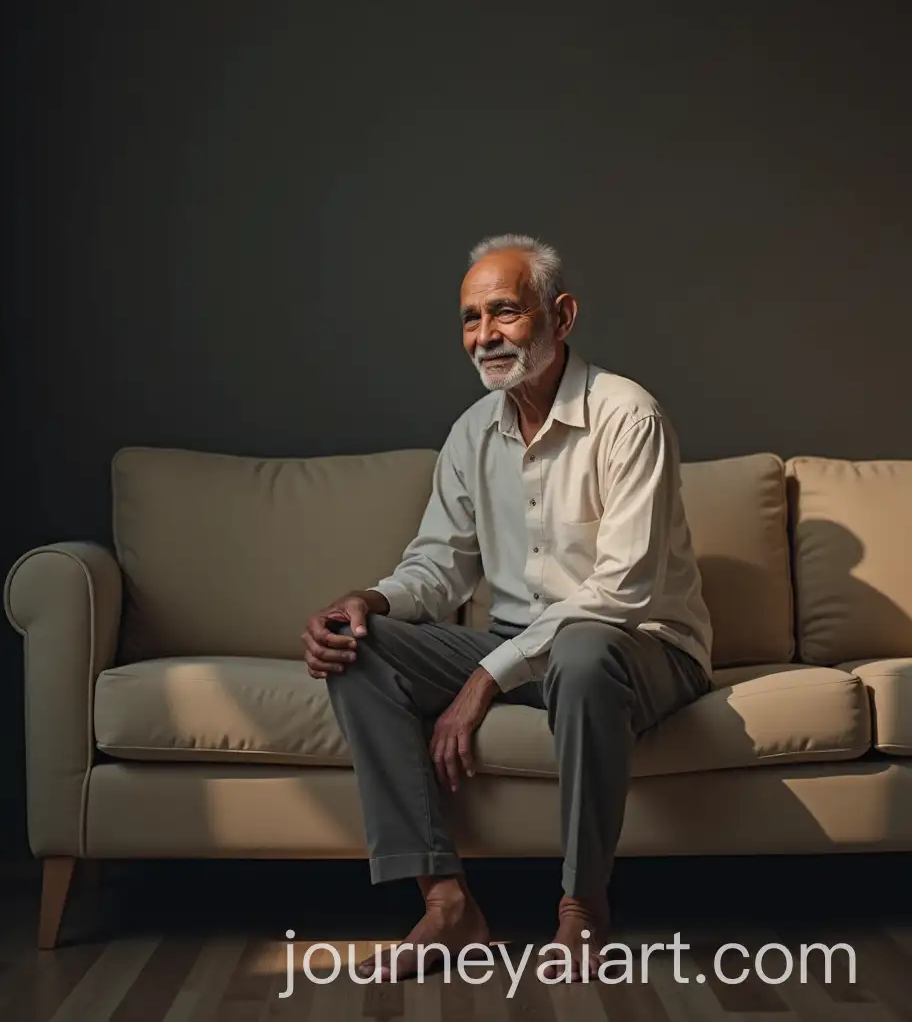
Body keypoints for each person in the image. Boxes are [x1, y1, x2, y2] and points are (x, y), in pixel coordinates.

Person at [302, 233, 712, 981]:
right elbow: (439, 568)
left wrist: (485, 680)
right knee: (360, 644)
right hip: (521, 645)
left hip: (644, 649)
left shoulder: (629, 417)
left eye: (504, 313)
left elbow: (621, 592)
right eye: (470, 318)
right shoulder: (471, 433)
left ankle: (583, 911)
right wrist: (368, 599)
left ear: (562, 315)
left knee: (584, 654)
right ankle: (448, 904)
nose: (485, 336)